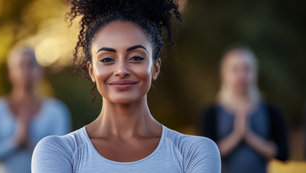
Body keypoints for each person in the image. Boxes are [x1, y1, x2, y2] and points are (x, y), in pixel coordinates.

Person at [31, 0, 221, 172]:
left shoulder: (195, 152)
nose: (121, 70)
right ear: (91, 71)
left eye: (136, 57)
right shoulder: (59, 152)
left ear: (155, 67)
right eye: (107, 59)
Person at [0, 46, 71, 173]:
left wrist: (29, 144)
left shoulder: (56, 111)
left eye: (31, 65)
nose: (26, 71)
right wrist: (14, 143)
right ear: (10, 73)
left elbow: (60, 156)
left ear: (40, 71)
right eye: (20, 65)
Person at [201, 46, 289, 173]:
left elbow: (283, 154)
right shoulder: (211, 113)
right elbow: (206, 156)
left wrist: (250, 137)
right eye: (235, 69)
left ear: (255, 72)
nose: (241, 76)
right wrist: (237, 136)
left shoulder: (271, 111)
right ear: (224, 74)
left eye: (246, 69)